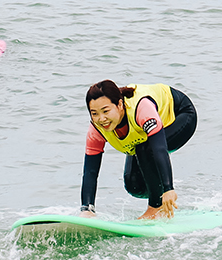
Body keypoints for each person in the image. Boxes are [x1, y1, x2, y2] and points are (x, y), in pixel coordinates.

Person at [81, 80, 197, 221]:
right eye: (94, 113)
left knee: (145, 148)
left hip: (180, 114)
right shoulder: (96, 129)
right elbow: (90, 171)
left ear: (119, 104)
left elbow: (159, 149)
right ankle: (159, 199)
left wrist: (168, 188)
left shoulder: (141, 108)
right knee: (134, 185)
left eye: (106, 111)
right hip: (147, 136)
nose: (101, 119)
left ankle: (156, 208)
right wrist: (87, 209)